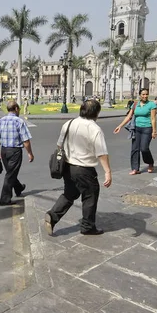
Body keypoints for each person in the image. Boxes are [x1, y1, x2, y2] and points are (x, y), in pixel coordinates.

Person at [44, 99, 112, 236]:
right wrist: (108, 171)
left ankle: (52, 216)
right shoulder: (94, 129)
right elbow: (102, 153)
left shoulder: (69, 123)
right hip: (84, 169)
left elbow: (59, 145)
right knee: (90, 195)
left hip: (68, 167)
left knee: (69, 194)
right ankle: (87, 226)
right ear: (96, 113)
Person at [0, 101, 34, 206]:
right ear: (16, 108)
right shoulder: (19, 121)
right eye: (19, 109)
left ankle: (18, 188)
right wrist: (30, 153)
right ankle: (5, 199)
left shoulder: (1, 120)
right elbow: (25, 140)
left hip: (4, 151)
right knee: (10, 175)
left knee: (10, 173)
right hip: (14, 151)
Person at [114, 89, 157, 174]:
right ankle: (135, 169)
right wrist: (120, 126)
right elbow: (129, 117)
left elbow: (153, 119)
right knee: (135, 149)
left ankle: (150, 162)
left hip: (147, 128)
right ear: (140, 95)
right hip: (136, 129)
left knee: (144, 148)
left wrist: (154, 131)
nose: (145, 96)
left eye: (146, 94)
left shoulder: (152, 104)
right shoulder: (135, 104)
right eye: (143, 94)